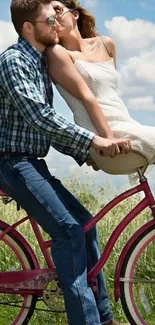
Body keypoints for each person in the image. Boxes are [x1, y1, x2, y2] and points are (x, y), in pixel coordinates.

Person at [0, 1, 131, 325]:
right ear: (29, 27)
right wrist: (93, 140)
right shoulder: (14, 60)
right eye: (48, 19)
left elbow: (43, 126)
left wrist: (84, 153)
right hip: (11, 162)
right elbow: (40, 116)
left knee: (85, 225)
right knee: (69, 231)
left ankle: (104, 317)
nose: (55, 23)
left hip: (31, 162)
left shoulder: (38, 63)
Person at [46, 0, 155, 176]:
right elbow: (87, 97)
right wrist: (109, 139)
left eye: (58, 10)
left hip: (127, 127)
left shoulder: (107, 44)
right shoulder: (57, 53)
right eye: (48, 17)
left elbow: (110, 95)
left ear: (75, 14)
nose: (53, 18)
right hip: (104, 138)